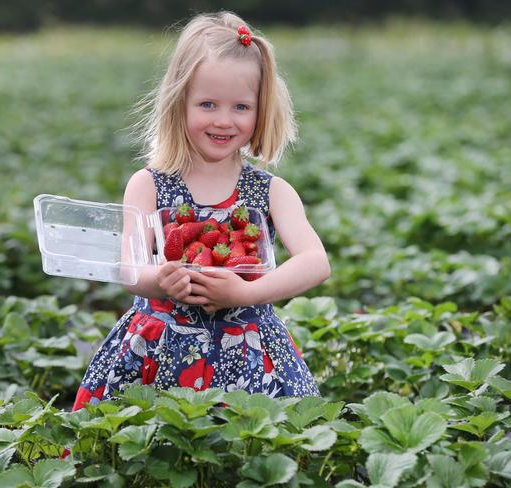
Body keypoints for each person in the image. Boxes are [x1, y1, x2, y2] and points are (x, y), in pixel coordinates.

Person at [72, 11, 330, 410]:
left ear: (262, 110)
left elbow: (315, 262)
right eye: (207, 104)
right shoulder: (149, 184)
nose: (224, 120)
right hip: (161, 348)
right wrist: (162, 279)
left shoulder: (270, 191)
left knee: (247, 446)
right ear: (179, 103)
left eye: (241, 107)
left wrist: (246, 292)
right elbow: (129, 267)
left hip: (247, 348)